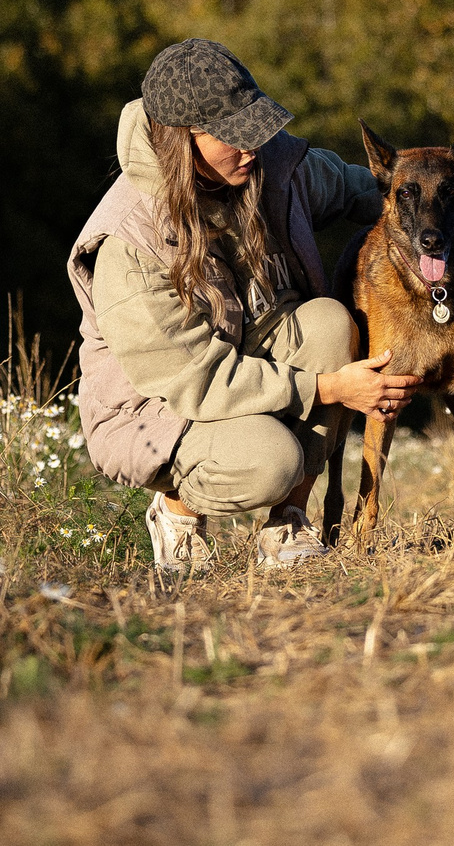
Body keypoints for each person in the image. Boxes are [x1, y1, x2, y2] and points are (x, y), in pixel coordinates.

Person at [67, 38, 420, 571]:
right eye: (234, 136)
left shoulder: (272, 166)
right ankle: (176, 512)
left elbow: (368, 187)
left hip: (247, 355)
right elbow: (198, 382)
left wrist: (433, 201)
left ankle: (287, 525)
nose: (252, 147)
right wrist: (329, 389)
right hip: (158, 408)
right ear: (181, 139)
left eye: (255, 127)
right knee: (270, 458)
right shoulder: (128, 243)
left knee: (329, 323)